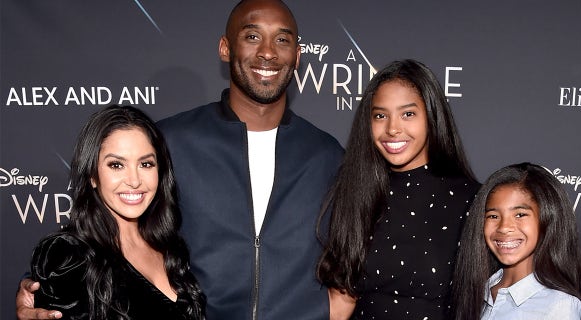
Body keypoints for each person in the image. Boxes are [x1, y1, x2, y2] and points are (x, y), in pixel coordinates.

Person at [15, 1, 343, 319]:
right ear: (225, 48)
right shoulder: (167, 141)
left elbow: (355, 253)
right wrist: (48, 291)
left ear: (298, 56)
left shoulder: (327, 155)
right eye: (252, 36)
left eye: (282, 39)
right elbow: (105, 231)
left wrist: (333, 311)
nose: (268, 52)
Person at [316, 59, 480, 320]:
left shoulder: (473, 201)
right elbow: (339, 305)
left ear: (432, 116)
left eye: (408, 114)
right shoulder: (353, 193)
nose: (392, 129)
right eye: (380, 116)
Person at [27, 105, 205, 319]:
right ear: (93, 175)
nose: (134, 180)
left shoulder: (171, 246)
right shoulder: (68, 255)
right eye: (116, 165)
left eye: (146, 164)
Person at [450, 162, 581, 319]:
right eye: (493, 216)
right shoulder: (474, 293)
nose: (504, 227)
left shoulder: (561, 307)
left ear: (547, 218)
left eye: (519, 214)